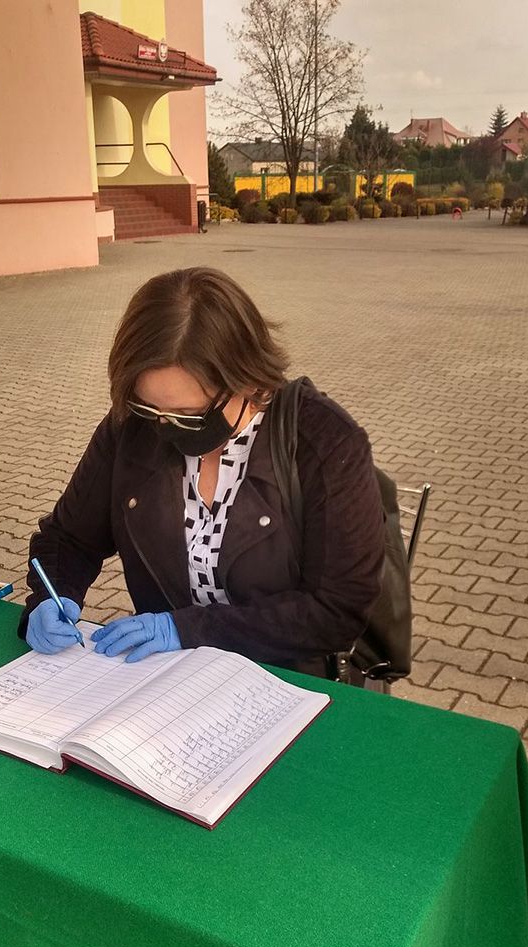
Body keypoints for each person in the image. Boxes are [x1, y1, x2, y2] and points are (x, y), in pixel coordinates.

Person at [21, 267, 385, 679]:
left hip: (287, 678)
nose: (165, 426)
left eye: (190, 414)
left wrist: (189, 629)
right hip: (165, 676)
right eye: (150, 407)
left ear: (246, 377)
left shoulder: (324, 441)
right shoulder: (132, 428)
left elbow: (337, 609)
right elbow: (69, 537)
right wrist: (52, 595)